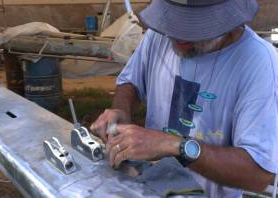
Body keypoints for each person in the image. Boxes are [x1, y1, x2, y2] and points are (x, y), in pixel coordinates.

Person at [90, 0, 278, 197]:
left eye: (191, 27)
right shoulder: (161, 33)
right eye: (174, 21)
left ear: (227, 20)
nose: (177, 35)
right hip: (146, 189)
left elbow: (258, 174)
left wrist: (174, 146)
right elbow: (131, 82)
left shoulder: (259, 62)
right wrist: (121, 110)